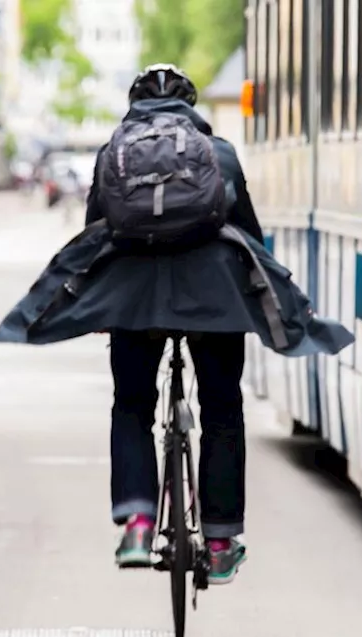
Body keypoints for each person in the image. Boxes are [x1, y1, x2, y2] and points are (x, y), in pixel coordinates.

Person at [84, 63, 263, 585]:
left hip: (135, 302)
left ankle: (138, 524)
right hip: (213, 300)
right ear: (191, 106)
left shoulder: (112, 152)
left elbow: (96, 235)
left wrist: (99, 305)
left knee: (133, 406)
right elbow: (249, 236)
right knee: (223, 409)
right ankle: (221, 538)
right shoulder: (221, 153)